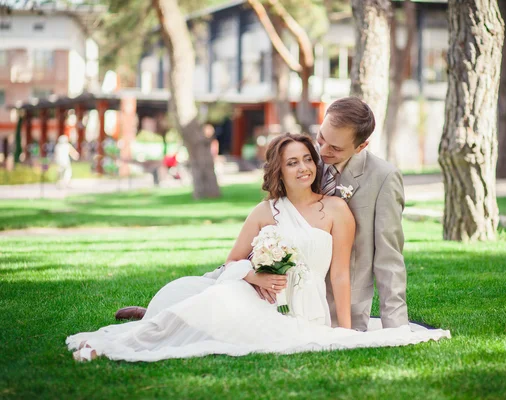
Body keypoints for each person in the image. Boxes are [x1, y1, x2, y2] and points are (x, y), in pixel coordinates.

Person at [67, 133, 449, 362]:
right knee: (205, 299)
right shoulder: (265, 211)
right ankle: (117, 343)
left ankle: (139, 328)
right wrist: (257, 275)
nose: (303, 168)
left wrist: (345, 333)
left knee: (208, 315)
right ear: (278, 170)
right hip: (251, 292)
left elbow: (341, 274)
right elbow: (232, 262)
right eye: (291, 163)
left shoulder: (336, 209)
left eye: (306, 160)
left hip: (306, 308)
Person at [116, 97, 408, 331]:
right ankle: (170, 312)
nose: (320, 151)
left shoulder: (382, 178)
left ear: (361, 146)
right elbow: (277, 215)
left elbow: (389, 260)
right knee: (212, 290)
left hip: (327, 294)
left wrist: (397, 329)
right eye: (320, 138)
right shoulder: (307, 157)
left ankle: (176, 313)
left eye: (334, 147)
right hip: (271, 275)